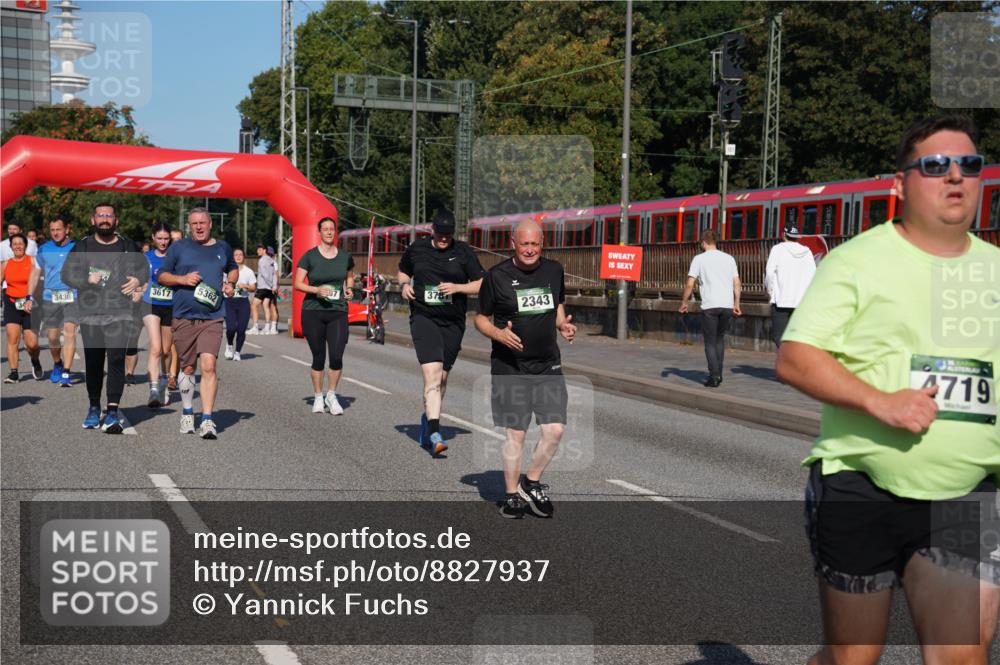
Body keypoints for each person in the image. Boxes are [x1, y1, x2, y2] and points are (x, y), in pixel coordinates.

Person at [776, 115, 1000, 665]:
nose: (955, 176)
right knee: (852, 657)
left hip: (967, 492)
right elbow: (796, 357)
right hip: (862, 485)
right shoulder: (857, 261)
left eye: (969, 165)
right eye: (935, 165)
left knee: (960, 658)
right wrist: (881, 402)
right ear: (900, 184)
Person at [474, 220, 576, 519]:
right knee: (516, 433)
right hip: (510, 366)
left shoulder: (554, 270)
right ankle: (510, 496)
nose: (530, 250)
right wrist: (498, 334)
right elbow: (480, 318)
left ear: (541, 243)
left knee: (555, 430)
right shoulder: (497, 276)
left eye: (535, 244)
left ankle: (531, 481)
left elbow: (557, 305)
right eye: (524, 244)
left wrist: (563, 325)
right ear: (513, 243)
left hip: (547, 364)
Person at [397, 210, 486, 455]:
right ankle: (436, 432)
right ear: (432, 230)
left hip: (453, 322)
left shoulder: (463, 252)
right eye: (441, 234)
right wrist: (404, 285)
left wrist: (458, 287)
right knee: (433, 375)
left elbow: (481, 282)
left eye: (448, 235)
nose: (445, 239)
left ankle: (428, 419)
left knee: (442, 379)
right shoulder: (417, 249)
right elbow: (403, 271)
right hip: (424, 317)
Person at [60, 204, 148, 433]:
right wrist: (87, 280)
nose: (105, 219)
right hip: (90, 314)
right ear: (93, 220)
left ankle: (112, 410)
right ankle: (93, 407)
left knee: (117, 359)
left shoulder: (128, 246)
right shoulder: (83, 246)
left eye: (109, 215)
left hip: (120, 312)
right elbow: (66, 274)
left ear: (116, 220)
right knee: (94, 363)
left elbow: (144, 270)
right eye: (101, 216)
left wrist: (138, 281)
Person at [157, 207, 238, 439]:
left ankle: (208, 419)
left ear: (211, 223)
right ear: (189, 226)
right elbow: (161, 276)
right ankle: (187, 411)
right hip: (183, 316)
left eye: (203, 222)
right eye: (194, 224)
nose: (199, 227)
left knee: (209, 365)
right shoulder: (178, 248)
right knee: (188, 368)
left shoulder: (222, 247)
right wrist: (181, 279)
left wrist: (230, 284)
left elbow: (232, 268)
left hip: (212, 317)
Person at [294, 217, 354, 415]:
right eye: (325, 229)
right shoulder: (310, 256)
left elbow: (349, 277)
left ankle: (332, 394)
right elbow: (298, 283)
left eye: (331, 229)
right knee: (319, 356)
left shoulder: (345, 257)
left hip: (338, 311)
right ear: (319, 232)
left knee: (336, 356)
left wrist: (350, 289)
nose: (328, 232)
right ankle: (318, 396)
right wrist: (316, 290)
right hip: (313, 311)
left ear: (335, 232)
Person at [679, 229, 741, 387]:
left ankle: (714, 376)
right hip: (727, 305)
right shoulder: (729, 258)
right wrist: (736, 304)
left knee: (710, 342)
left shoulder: (699, 259)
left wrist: (684, 303)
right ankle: (718, 373)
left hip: (710, 306)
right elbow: (737, 284)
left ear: (703, 242)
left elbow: (689, 284)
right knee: (719, 340)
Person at [35, 216, 78, 386]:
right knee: (52, 338)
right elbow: (35, 273)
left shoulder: (77, 248)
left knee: (69, 333)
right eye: (52, 230)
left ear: (67, 229)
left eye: (58, 229)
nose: (55, 233)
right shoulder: (44, 249)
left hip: (72, 295)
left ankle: (66, 373)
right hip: (50, 297)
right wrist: (30, 295)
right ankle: (58, 363)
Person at [765, 220, 816, 349]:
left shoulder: (777, 249)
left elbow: (770, 273)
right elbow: (814, 276)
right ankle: (796, 364)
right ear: (797, 236)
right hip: (801, 303)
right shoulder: (807, 252)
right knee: (798, 338)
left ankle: (788, 363)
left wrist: (771, 293)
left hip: (781, 302)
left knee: (778, 336)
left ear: (783, 235)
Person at [141, 223, 174, 407]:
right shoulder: (146, 258)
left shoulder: (175, 258)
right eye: (159, 238)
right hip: (150, 304)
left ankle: (164, 382)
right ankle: (153, 390)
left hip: (170, 305)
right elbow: (140, 279)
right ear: (153, 237)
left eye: (166, 238)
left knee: (167, 351)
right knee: (155, 347)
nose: (163, 242)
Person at [2, 233, 42, 382]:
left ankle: (35, 360)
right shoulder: (6, 264)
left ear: (25, 245)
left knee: (32, 344)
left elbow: (40, 281)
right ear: (11, 246)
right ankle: (14, 372)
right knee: (12, 338)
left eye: (21, 243)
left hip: (31, 304)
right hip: (12, 303)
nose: (18, 246)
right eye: (15, 244)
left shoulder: (33, 261)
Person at [223, 247, 255, 361]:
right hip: (229, 301)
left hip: (243, 302)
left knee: (241, 329)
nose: (238, 257)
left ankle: (237, 352)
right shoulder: (226, 271)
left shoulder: (248, 271)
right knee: (231, 328)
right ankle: (230, 345)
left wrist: (245, 286)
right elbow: (220, 284)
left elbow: (254, 288)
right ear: (232, 257)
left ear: (243, 257)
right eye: (236, 255)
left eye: (240, 255)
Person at [165, 228, 184, 391]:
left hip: (180, 305)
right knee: (163, 347)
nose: (176, 242)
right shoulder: (164, 257)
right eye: (173, 239)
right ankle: (165, 373)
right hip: (161, 305)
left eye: (179, 239)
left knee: (175, 344)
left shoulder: (187, 259)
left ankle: (172, 377)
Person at [251, 244, 279, 335]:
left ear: (264, 250)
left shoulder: (262, 260)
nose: (257, 251)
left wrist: (271, 285)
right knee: (266, 306)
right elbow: (274, 274)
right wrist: (274, 286)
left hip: (263, 287)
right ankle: (267, 327)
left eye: (259, 250)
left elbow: (264, 274)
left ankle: (255, 327)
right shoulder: (272, 261)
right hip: (270, 288)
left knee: (254, 305)